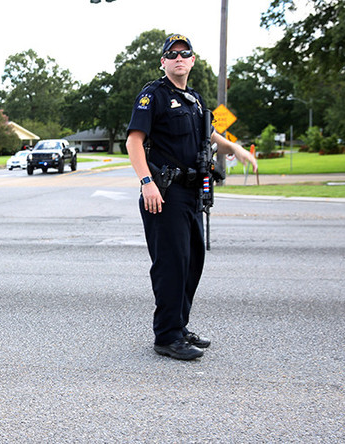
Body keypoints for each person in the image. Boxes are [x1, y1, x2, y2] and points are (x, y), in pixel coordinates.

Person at [125, 34, 258, 361]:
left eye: (185, 54)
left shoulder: (195, 101)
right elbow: (133, 142)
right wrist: (146, 182)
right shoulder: (153, 96)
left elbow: (209, 134)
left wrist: (237, 148)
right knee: (171, 264)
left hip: (192, 193)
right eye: (172, 54)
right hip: (164, 193)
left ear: (193, 60)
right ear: (163, 62)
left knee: (191, 262)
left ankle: (180, 325)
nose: (179, 58)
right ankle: (167, 336)